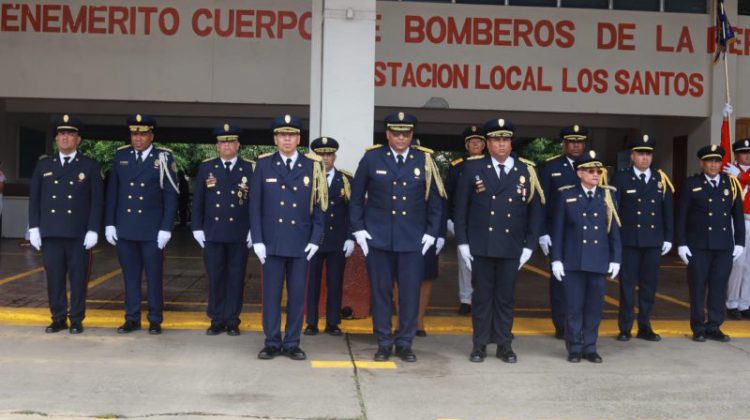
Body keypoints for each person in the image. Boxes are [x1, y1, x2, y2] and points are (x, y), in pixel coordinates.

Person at [349, 111, 444, 362]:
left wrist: (431, 233)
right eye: (396, 133)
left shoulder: (425, 160)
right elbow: (356, 198)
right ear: (388, 134)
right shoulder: (372, 158)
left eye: (406, 133)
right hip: (378, 239)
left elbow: (436, 202)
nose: (401, 138)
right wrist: (359, 231)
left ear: (412, 135)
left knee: (409, 294)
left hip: (412, 240)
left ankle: (404, 342)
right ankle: (383, 342)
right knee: (381, 293)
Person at [454, 118, 544, 363]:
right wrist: (462, 243)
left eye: (505, 139)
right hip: (481, 244)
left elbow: (536, 212)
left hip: (511, 245)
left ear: (511, 143)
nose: (501, 144)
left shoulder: (526, 170)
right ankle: (480, 344)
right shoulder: (473, 168)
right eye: (496, 139)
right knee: (482, 297)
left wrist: (529, 246)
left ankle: (504, 344)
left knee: (505, 298)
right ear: (488, 143)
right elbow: (461, 209)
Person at [250, 114, 327, 361]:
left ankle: (292, 342)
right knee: (271, 297)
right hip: (271, 242)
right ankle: (272, 342)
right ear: (275, 139)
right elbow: (255, 206)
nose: (287, 139)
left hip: (300, 242)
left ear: (299, 139)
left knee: (297, 296)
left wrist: (315, 239)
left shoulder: (313, 166)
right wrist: (258, 240)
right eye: (282, 135)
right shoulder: (263, 165)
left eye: (291, 135)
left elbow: (320, 206)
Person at [27, 115, 103, 334]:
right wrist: (34, 227)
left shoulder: (89, 166)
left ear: (78, 139)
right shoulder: (44, 165)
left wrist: (93, 229)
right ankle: (58, 318)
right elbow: (35, 199)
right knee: (54, 279)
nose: (65, 138)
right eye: (61, 134)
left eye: (70, 134)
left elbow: (97, 201)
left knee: (78, 279)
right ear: (56, 139)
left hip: (78, 234)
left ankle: (76, 319)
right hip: (51, 232)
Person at [105, 114, 179, 335]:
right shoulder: (121, 156)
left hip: (152, 231)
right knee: (130, 277)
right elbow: (113, 193)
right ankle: (132, 318)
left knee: (154, 277)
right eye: (134, 134)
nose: (138, 138)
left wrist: (166, 227)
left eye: (143, 134)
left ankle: (155, 319)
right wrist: (110, 223)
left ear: (151, 136)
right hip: (126, 228)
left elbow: (171, 196)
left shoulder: (163, 157)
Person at [551, 150, 621, 363]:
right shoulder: (566, 195)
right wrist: (556, 259)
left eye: (598, 171)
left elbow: (614, 230)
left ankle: (590, 346)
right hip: (573, 260)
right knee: (574, 307)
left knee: (593, 308)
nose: (596, 175)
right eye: (590, 171)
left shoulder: (607, 195)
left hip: (598, 260)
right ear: (579, 173)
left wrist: (616, 258)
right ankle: (574, 347)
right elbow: (558, 231)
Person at [676, 145, 745, 342]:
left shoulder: (730, 184)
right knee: (698, 287)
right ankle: (698, 327)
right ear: (702, 163)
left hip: (723, 246)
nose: (713, 165)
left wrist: (740, 242)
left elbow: (737, 216)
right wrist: (681, 243)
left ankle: (714, 326)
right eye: (709, 161)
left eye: (717, 161)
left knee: (718, 287)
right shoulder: (691, 184)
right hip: (698, 246)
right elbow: (681, 216)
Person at [192, 123, 254, 336]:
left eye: (231, 142)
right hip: (213, 232)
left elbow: (255, 202)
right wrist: (196, 227)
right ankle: (217, 319)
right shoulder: (207, 168)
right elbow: (198, 200)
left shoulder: (249, 168)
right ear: (217, 146)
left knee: (236, 278)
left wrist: (253, 230)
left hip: (239, 233)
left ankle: (233, 320)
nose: (226, 146)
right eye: (222, 142)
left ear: (238, 145)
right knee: (215, 277)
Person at [611, 135, 674, 341]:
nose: (645, 158)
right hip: (629, 241)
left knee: (649, 286)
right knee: (627, 286)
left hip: (653, 241)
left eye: (648, 154)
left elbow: (667, 211)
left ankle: (645, 326)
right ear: (632, 156)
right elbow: (614, 211)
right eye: (640, 154)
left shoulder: (660, 179)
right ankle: (625, 327)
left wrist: (668, 237)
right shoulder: (621, 178)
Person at [539, 125, 588, 339]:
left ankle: (580, 323)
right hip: (557, 233)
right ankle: (561, 324)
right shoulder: (551, 167)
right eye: (572, 142)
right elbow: (541, 201)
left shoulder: (593, 167)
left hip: (586, 233)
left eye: (580, 142)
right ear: (564, 144)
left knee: (584, 279)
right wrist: (542, 232)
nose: (576, 145)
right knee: (560, 280)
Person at [304, 136, 355, 336]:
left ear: (334, 157)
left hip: (337, 240)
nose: (325, 158)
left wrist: (350, 237)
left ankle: (333, 322)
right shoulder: (308, 178)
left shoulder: (346, 179)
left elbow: (352, 211)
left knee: (335, 282)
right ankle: (311, 322)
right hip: (313, 241)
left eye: (329, 154)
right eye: (321, 154)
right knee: (312, 283)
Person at [445, 125, 486, 315]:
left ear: (484, 145)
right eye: (472, 142)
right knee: (465, 261)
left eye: (479, 142)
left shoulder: (491, 164)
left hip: (486, 222)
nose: (475, 144)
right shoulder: (457, 167)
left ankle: (483, 298)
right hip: (463, 221)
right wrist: (449, 219)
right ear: (466, 145)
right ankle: (466, 300)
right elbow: (448, 195)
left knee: (485, 262)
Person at [722, 138, 750, 320]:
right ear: (736, 154)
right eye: (743, 152)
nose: (747, 156)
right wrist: (724, 119)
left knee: (749, 265)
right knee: (737, 264)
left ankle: (745, 303)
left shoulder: (737, 173)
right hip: (737, 221)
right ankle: (732, 302)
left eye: (749, 152)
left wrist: (740, 176)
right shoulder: (729, 169)